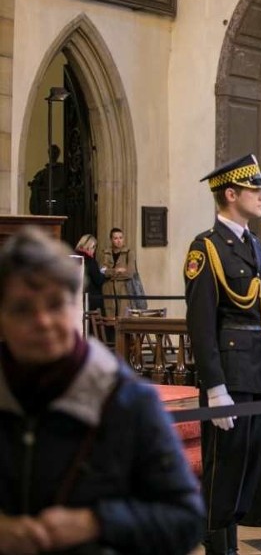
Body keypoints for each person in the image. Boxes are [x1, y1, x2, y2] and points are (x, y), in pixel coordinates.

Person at [0, 227, 204, 555]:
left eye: (56, 304)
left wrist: (97, 522)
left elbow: (185, 520)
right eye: (23, 308)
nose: (43, 321)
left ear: (75, 305)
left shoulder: (127, 400)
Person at [185, 153, 261, 555]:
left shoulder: (253, 244)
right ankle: (216, 545)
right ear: (230, 194)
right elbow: (202, 324)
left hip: (257, 373)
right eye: (254, 189)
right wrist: (215, 387)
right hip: (231, 375)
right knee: (224, 470)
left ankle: (229, 543)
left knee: (249, 466)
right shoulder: (205, 249)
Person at [101, 227, 134, 319]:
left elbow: (129, 273)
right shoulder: (105, 253)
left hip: (123, 290)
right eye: (115, 238)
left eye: (120, 238)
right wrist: (117, 270)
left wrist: (110, 273)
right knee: (110, 319)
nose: (118, 241)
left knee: (123, 319)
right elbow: (103, 272)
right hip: (109, 290)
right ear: (111, 239)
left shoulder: (129, 253)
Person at [28, 144, 67, 216]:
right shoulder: (44, 172)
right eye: (51, 152)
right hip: (46, 203)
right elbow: (36, 183)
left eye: (54, 153)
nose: (52, 155)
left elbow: (61, 187)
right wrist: (35, 185)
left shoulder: (62, 170)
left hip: (57, 202)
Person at [75, 233, 106, 315]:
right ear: (89, 246)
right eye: (93, 247)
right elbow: (98, 280)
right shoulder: (90, 261)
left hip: (76, 297)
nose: (94, 251)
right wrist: (103, 274)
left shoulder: (74, 257)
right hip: (91, 299)